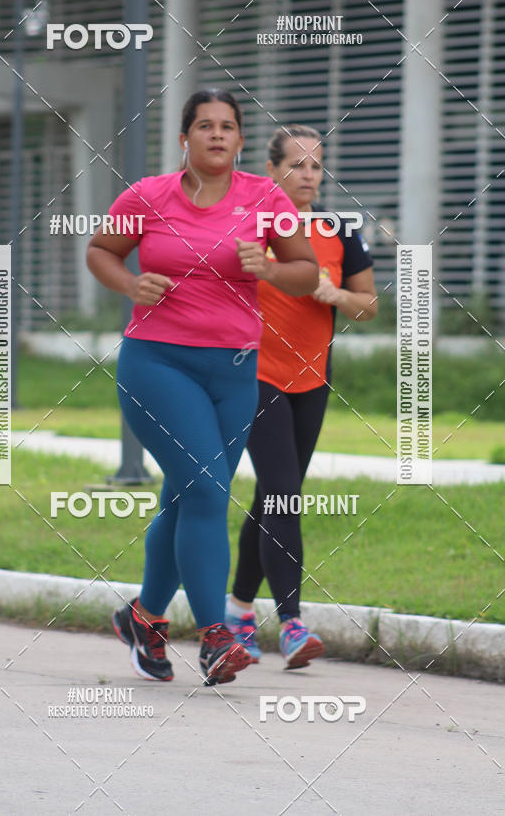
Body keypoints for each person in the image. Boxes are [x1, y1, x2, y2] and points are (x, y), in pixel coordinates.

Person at [86, 93, 319, 685]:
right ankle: (216, 636)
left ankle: (144, 618)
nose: (217, 134)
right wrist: (131, 282)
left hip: (236, 372)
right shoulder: (145, 196)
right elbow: (100, 250)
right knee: (210, 493)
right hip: (158, 365)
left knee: (187, 496)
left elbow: (307, 272)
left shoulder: (267, 199)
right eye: (204, 126)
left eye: (229, 127)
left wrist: (268, 269)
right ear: (184, 138)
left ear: (240, 142)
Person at [225, 124, 377, 668]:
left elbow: (368, 305)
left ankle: (239, 611)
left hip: (313, 380)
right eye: (297, 164)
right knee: (284, 493)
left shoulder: (338, 230)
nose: (308, 174)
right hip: (255, 376)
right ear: (272, 170)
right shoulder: (253, 224)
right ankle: (290, 623)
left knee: (273, 495)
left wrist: (333, 292)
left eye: (316, 165)